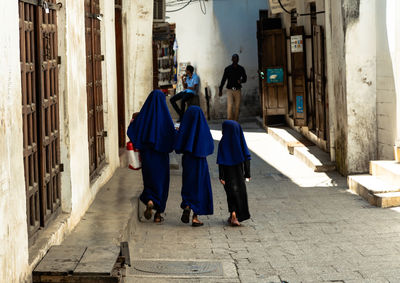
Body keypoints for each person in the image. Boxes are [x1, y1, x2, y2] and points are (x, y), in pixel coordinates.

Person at [127, 90, 176, 223]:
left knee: (149, 180)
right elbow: (172, 137)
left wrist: (134, 122)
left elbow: (132, 130)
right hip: (161, 156)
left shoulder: (143, 116)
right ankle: (158, 215)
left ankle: (149, 200)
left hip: (147, 155)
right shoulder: (165, 118)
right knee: (162, 182)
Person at [174, 106, 214, 227]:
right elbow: (210, 145)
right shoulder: (202, 128)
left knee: (188, 184)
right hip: (200, 160)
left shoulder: (185, 128)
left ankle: (187, 205)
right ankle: (195, 218)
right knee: (199, 187)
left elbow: (178, 143)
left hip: (187, 160)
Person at [217, 120, 251, 226]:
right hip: (239, 173)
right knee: (239, 193)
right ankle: (235, 216)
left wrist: (221, 176)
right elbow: (246, 157)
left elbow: (221, 161)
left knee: (230, 193)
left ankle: (233, 214)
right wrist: (247, 173)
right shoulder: (240, 142)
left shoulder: (222, 143)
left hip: (227, 174)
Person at [218, 54, 247, 121]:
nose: (235, 60)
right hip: (230, 90)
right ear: (232, 59)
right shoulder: (227, 69)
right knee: (230, 105)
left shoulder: (241, 69)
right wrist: (220, 89)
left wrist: (241, 81)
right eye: (234, 58)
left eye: (236, 59)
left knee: (237, 106)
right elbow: (223, 79)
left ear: (238, 60)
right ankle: (230, 120)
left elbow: (245, 78)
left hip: (238, 90)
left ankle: (236, 121)